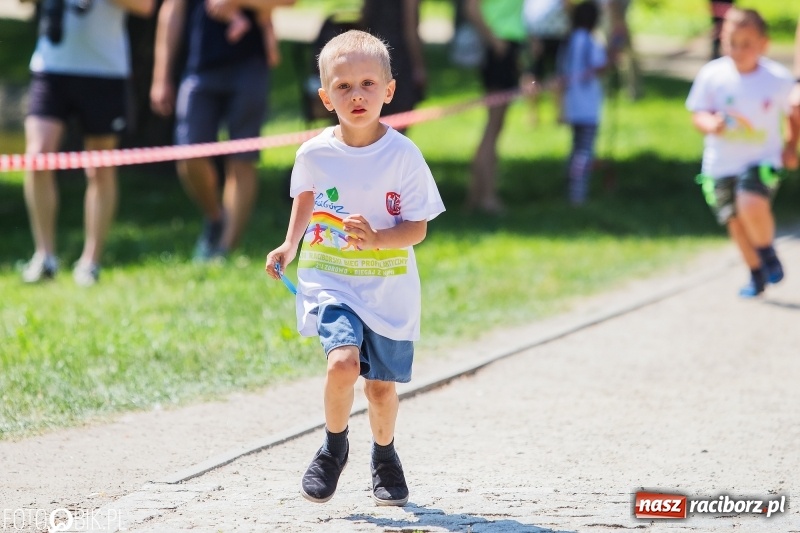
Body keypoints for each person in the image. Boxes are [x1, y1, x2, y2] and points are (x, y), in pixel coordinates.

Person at [264, 30, 445, 506]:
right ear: (325, 97)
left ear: (388, 91)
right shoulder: (314, 153)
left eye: (368, 83)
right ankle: (333, 447)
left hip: (388, 289)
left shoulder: (404, 156)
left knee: (381, 389)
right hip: (332, 281)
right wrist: (289, 244)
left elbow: (418, 229)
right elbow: (306, 196)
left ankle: (384, 456)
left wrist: (380, 239)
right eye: (343, 87)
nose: (357, 94)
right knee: (342, 364)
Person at [20, 0, 155, 286]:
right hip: (51, 65)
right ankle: (44, 256)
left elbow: (145, 6)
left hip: (105, 71)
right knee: (37, 157)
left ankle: (90, 262)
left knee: (100, 169)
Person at [150, 0, 294, 261]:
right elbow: (172, 9)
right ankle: (216, 217)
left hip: (250, 64)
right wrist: (161, 76)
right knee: (189, 155)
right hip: (199, 67)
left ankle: (225, 250)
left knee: (242, 159)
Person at [686, 8, 799, 298]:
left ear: (763, 44)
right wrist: (710, 123)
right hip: (720, 164)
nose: (737, 50)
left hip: (762, 159)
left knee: (750, 203)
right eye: (730, 42)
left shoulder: (777, 78)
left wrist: (790, 146)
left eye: (746, 44)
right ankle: (756, 273)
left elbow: (793, 113)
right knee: (735, 223)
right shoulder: (713, 74)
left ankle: (767, 252)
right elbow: (698, 112)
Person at [463, 0, 526, 214]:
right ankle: (487, 197)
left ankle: (476, 196)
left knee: (495, 127)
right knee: (493, 128)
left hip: (509, 46)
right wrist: (494, 41)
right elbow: (471, 8)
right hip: (500, 48)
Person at [557, 0, 607, 205]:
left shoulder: (568, 42)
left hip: (572, 104)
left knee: (576, 148)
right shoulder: (590, 41)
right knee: (584, 151)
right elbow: (599, 66)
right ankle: (578, 193)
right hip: (587, 107)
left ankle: (571, 186)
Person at [362, 0, 427, 129]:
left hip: (373, 54)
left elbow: (365, 16)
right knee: (399, 117)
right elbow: (410, 28)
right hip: (399, 58)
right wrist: (418, 65)